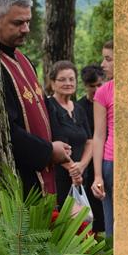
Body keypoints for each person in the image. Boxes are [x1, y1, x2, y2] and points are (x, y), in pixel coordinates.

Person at [0, 0, 71, 196]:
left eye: (28, 22)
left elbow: (45, 107)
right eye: (18, 23)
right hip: (22, 176)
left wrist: (60, 143)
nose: (26, 29)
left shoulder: (24, 60)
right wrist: (47, 152)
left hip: (46, 168)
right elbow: (6, 128)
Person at [46, 61, 92, 210]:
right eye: (62, 79)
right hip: (58, 176)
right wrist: (73, 169)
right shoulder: (48, 106)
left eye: (71, 79)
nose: (68, 83)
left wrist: (81, 166)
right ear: (52, 83)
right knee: (62, 224)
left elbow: (90, 142)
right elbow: (51, 142)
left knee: (82, 224)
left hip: (80, 175)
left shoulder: (79, 108)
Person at [77, 64, 105, 231]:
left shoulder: (109, 103)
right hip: (87, 162)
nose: (95, 89)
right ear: (85, 85)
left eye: (99, 85)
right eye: (91, 86)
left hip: (106, 158)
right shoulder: (80, 107)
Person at [91, 40, 115, 236]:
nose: (102, 64)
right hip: (111, 163)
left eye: (108, 59)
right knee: (112, 223)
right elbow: (98, 136)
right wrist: (98, 175)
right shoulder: (103, 91)